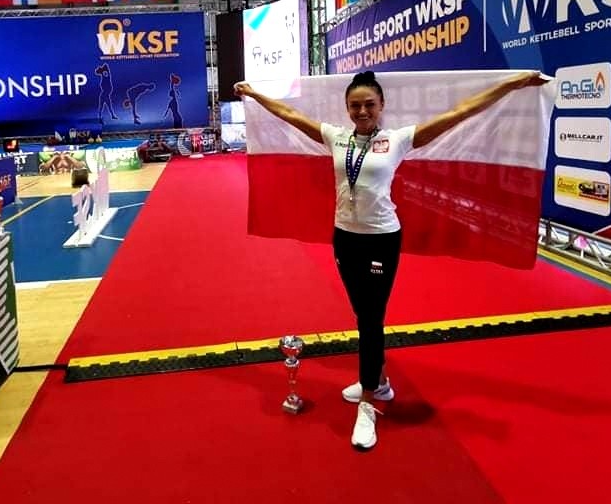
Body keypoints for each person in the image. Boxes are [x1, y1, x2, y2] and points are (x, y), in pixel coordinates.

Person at [234, 69, 546, 450]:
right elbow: (290, 115)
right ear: (347, 108)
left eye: (369, 104)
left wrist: (512, 84)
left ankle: (368, 403)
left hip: (381, 240)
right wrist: (254, 94)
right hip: (344, 238)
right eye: (355, 106)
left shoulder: (396, 140)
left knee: (370, 318)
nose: (362, 111)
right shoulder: (336, 137)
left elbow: (460, 113)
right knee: (362, 313)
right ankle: (379, 381)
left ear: (381, 106)